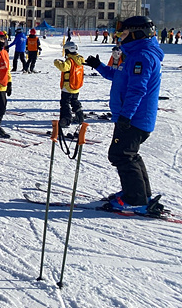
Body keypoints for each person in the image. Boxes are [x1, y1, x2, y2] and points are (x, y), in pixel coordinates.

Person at [85, 16, 165, 215]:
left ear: (138, 33)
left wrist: (126, 117)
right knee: (129, 154)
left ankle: (134, 199)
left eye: (124, 33)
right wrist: (99, 66)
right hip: (134, 117)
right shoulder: (135, 54)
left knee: (121, 155)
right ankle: (139, 193)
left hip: (135, 118)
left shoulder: (142, 57)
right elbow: (119, 74)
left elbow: (137, 90)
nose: (120, 36)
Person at [53, 41, 85, 128]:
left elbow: (64, 67)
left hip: (68, 86)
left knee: (65, 103)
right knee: (74, 101)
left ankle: (66, 119)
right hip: (76, 85)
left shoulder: (70, 60)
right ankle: (80, 117)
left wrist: (57, 62)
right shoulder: (80, 59)